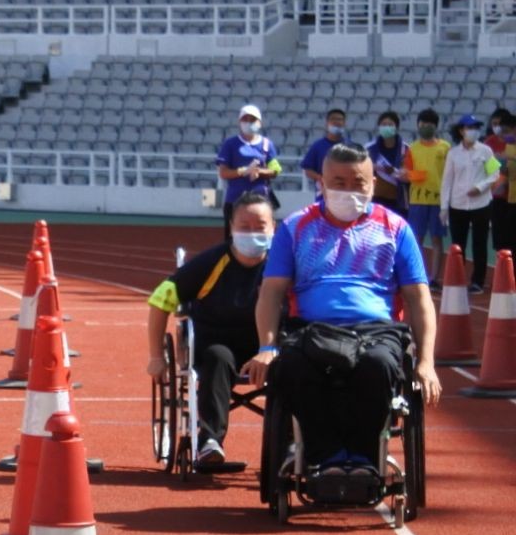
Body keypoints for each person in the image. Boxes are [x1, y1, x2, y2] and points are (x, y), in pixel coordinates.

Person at [250, 143, 441, 480]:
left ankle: (363, 458)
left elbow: (419, 299)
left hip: (377, 331)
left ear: (373, 185)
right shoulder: (294, 228)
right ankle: (328, 457)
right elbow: (271, 292)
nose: (348, 191)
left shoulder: (396, 228)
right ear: (321, 183)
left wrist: (426, 361)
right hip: (311, 328)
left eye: (358, 183)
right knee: (290, 367)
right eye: (338, 182)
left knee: (378, 366)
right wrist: (267, 347)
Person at [146, 193, 277, 468]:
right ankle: (209, 442)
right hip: (218, 346)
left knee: (298, 361)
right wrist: (156, 357)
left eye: (260, 226)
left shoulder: (282, 265)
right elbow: (161, 299)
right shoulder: (212, 262)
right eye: (244, 226)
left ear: (273, 228)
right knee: (217, 357)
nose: (252, 233)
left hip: (268, 347)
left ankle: (291, 447)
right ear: (231, 227)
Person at [440, 112, 501, 293]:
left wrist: (480, 187)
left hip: (481, 203)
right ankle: (457, 278)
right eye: (469, 128)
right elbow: (447, 181)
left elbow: (494, 174)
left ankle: (478, 281)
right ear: (461, 131)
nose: (473, 131)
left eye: (475, 128)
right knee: (458, 244)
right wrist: (444, 207)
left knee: (479, 243)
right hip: (458, 204)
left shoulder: (485, 150)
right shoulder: (453, 154)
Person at [215, 104, 281, 239]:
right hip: (235, 199)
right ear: (240, 122)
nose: (249, 123)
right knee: (233, 238)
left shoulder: (266, 145)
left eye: (253, 120)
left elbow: (275, 169)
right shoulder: (230, 144)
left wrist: (259, 171)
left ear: (260, 123)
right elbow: (223, 172)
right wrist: (243, 171)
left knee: (263, 236)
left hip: (261, 199)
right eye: (245, 119)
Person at [403, 108, 451, 286]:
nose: (426, 126)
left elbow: (450, 172)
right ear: (418, 125)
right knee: (417, 239)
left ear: (436, 126)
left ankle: (434, 277)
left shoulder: (445, 147)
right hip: (418, 200)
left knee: (437, 239)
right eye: (423, 122)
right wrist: (409, 175)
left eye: (430, 123)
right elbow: (406, 172)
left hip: (439, 201)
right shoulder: (413, 148)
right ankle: (418, 275)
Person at [366, 110, 409, 217]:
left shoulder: (406, 149)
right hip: (375, 199)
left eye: (390, 125)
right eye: (383, 125)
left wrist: (400, 173)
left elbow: (412, 175)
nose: (387, 127)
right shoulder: (368, 149)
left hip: (399, 201)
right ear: (379, 127)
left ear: (396, 128)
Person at [488, 108, 516, 255]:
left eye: (506, 130)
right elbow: (492, 169)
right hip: (504, 198)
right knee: (503, 242)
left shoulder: (510, 148)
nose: (504, 134)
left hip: (511, 199)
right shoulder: (491, 143)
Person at [301, 107, 348, 193]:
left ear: (344, 123)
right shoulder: (318, 146)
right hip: (323, 192)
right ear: (327, 123)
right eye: (333, 119)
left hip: (345, 191)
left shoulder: (350, 146)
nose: (337, 122)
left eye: (340, 120)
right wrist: (320, 178)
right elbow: (308, 169)